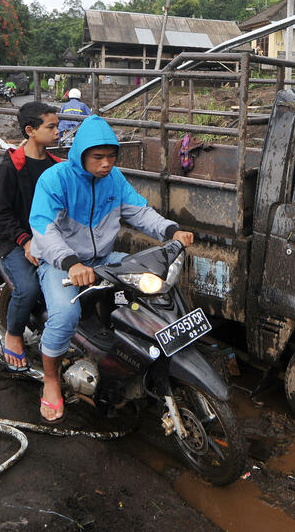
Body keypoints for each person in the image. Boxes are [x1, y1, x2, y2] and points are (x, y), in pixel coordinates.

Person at [29, 115, 192, 423]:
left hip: (103, 259)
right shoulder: (55, 179)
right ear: (80, 154)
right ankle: (51, 380)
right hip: (59, 263)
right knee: (65, 315)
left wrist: (171, 230)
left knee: (154, 283)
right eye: (98, 157)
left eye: (111, 156)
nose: (106, 164)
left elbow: (140, 212)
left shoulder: (114, 179)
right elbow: (43, 227)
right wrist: (70, 262)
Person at [0, 102, 60, 371]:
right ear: (30, 130)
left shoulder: (56, 166)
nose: (58, 132)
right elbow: (2, 215)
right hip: (14, 240)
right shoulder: (11, 167)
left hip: (49, 238)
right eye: (51, 127)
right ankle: (14, 334)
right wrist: (25, 241)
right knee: (28, 288)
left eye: (58, 126)